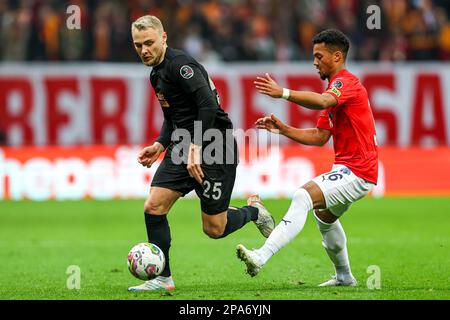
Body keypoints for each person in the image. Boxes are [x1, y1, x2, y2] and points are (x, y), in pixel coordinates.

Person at [128, 15, 275, 291]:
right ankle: (163, 278)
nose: (144, 50)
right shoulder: (156, 74)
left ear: (164, 38)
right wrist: (160, 144)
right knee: (153, 207)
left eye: (149, 43)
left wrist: (196, 148)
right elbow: (172, 117)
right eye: (138, 45)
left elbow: (207, 104)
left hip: (215, 147)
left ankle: (253, 212)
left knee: (214, 229)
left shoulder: (181, 65)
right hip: (184, 146)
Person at [236, 29, 378, 287]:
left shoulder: (346, 83)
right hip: (349, 168)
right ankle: (344, 276)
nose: (314, 62)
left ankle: (260, 256)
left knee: (303, 196)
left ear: (337, 56)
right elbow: (320, 135)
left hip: (358, 171)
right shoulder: (336, 93)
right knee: (324, 218)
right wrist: (284, 129)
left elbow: (324, 102)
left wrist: (284, 93)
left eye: (319, 56)